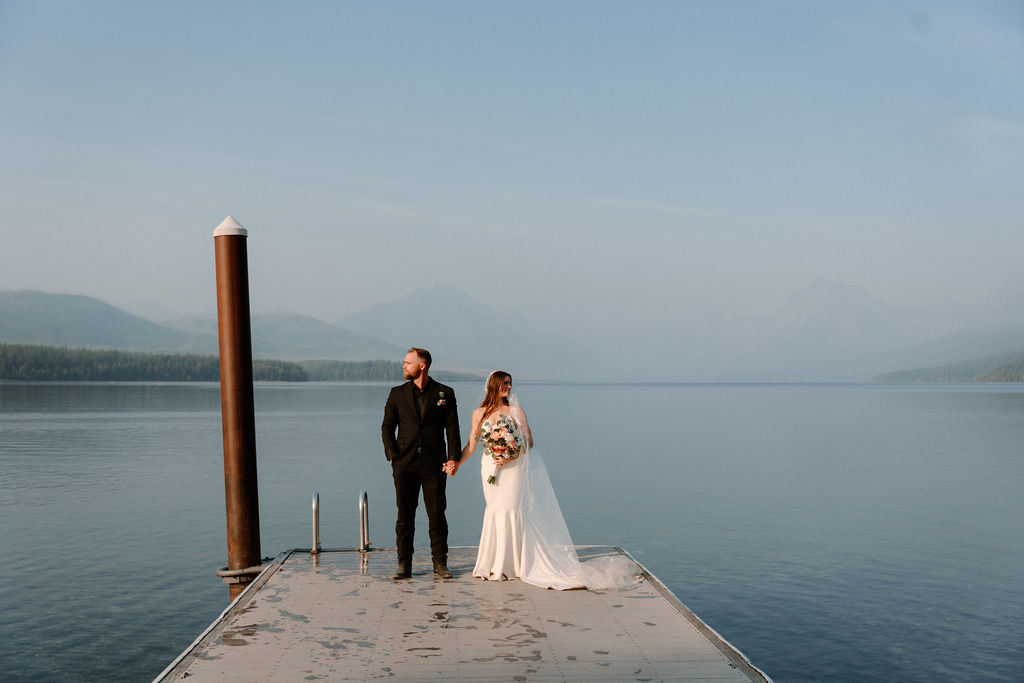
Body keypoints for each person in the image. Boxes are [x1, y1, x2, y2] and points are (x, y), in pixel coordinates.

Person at [445, 371, 639, 590]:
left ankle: (514, 565)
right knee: (495, 510)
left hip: (513, 468)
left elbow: (529, 441)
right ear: (494, 385)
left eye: (510, 383)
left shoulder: (516, 411)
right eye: (505, 383)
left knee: (512, 509)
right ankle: (493, 563)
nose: (509, 387)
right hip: (490, 466)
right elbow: (472, 444)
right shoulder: (479, 413)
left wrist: (511, 454)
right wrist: (457, 463)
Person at [382, 348, 461, 580]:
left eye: (408, 362)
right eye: (404, 362)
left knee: (437, 515)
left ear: (422, 366)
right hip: (404, 463)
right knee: (405, 515)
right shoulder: (397, 394)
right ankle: (404, 564)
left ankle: (440, 563)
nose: (404, 366)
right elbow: (387, 427)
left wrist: (453, 458)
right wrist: (392, 454)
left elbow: (452, 428)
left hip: (434, 464)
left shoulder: (445, 393)